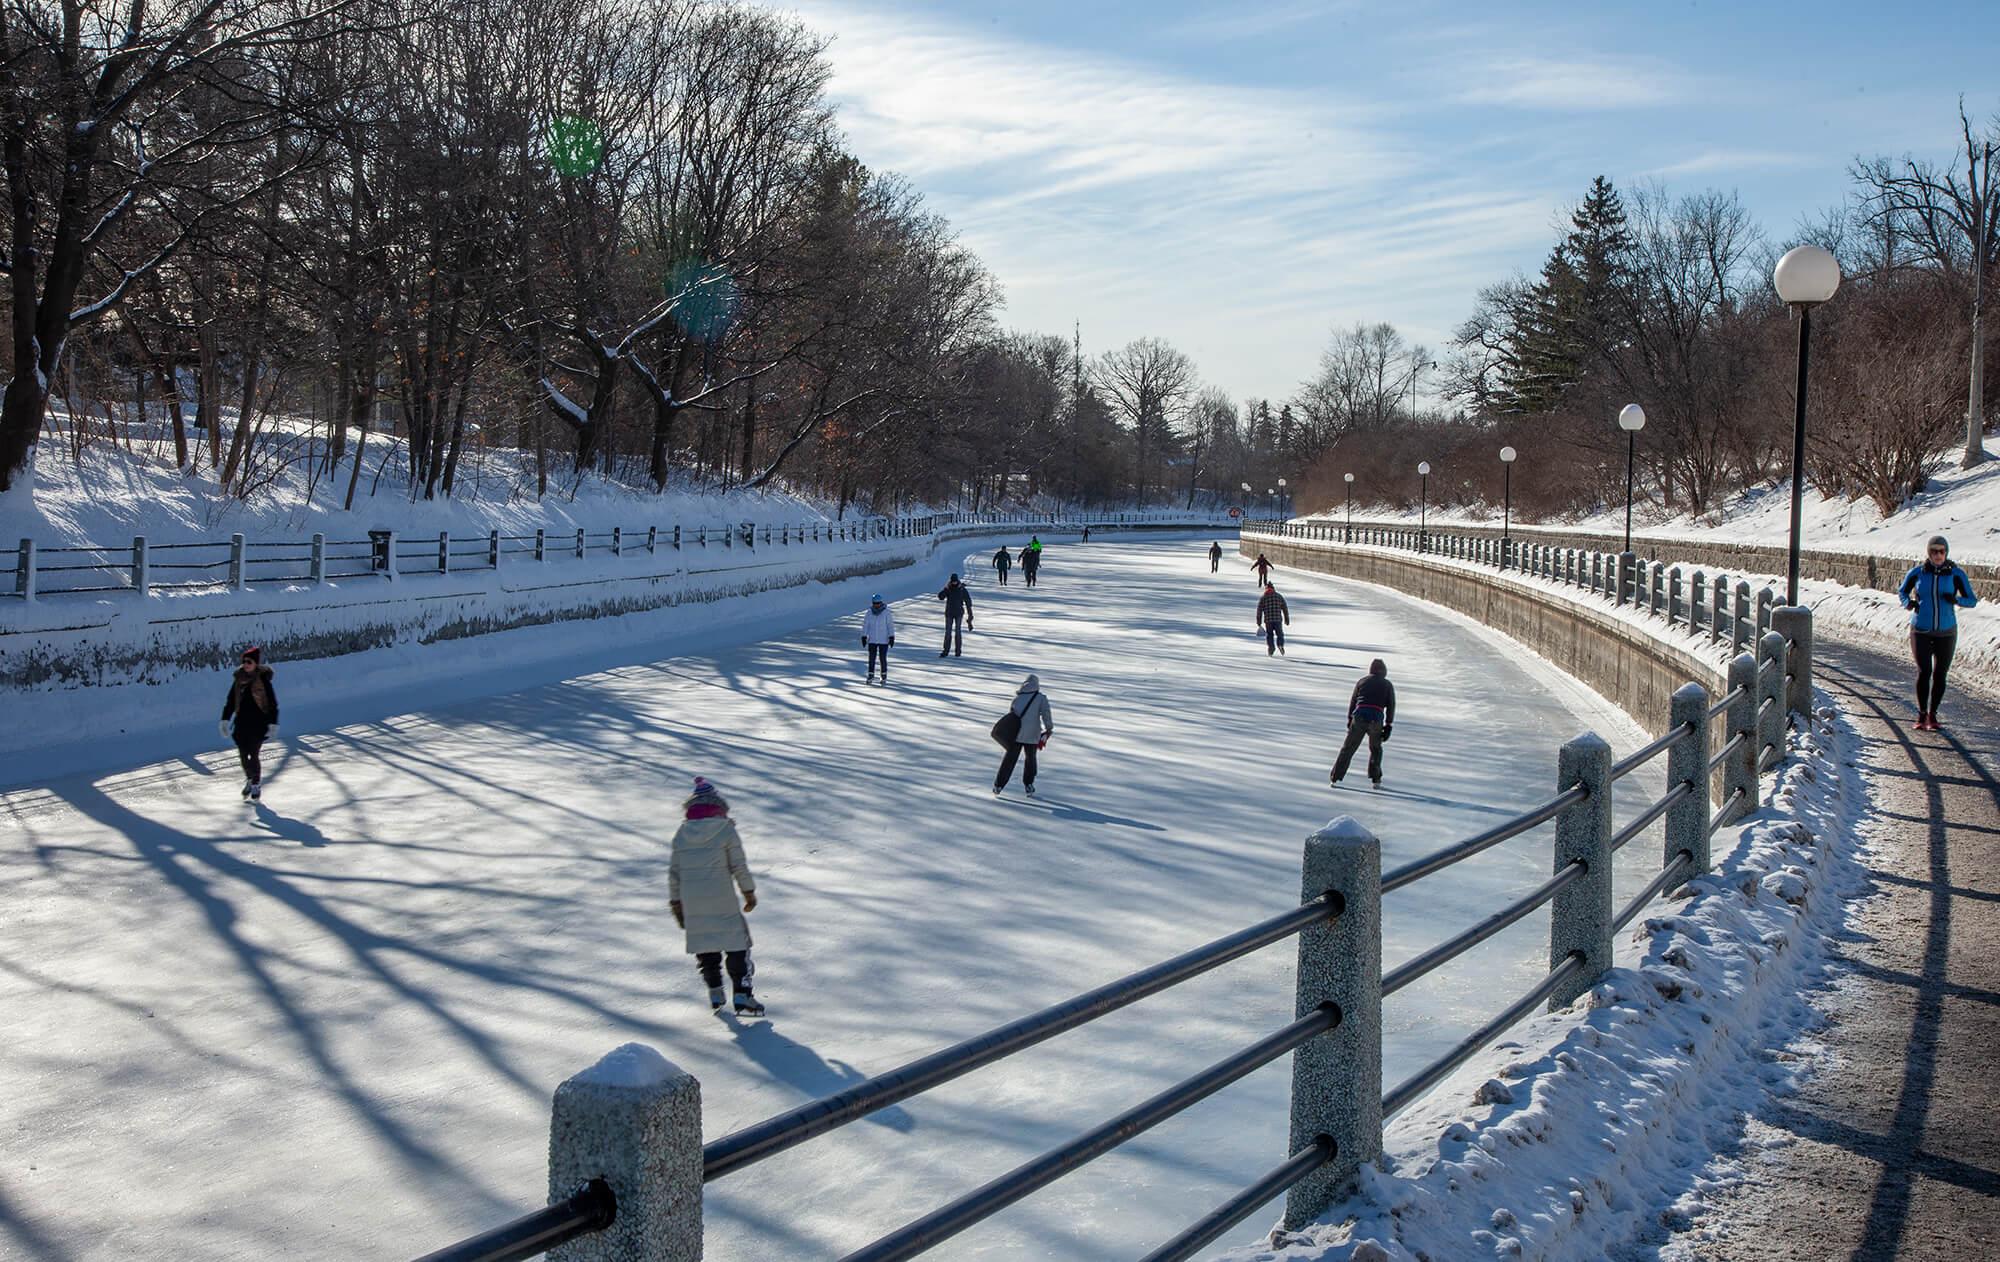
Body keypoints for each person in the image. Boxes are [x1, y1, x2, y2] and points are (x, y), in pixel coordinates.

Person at [668, 777, 764, 1016]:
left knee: (706, 943)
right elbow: (738, 865)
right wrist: (748, 892)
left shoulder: (681, 833)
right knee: (737, 945)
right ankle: (742, 995)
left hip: (692, 900)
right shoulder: (725, 829)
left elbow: (674, 872)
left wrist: (676, 903)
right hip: (722, 897)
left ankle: (715, 991)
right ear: (718, 806)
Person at [1899, 534, 1980, 731]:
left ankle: (1933, 715)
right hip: (1921, 630)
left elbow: (1972, 600)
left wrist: (1956, 600)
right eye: (1934, 551)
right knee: (1924, 671)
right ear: (1928, 553)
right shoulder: (1918, 573)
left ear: (1946, 553)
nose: (1937, 555)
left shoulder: (1956, 575)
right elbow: (1902, 591)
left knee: (1940, 674)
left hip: (1946, 631)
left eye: (1941, 551)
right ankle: (1921, 714)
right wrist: (1908, 603)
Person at [219, 645, 279, 800]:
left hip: (259, 724)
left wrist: (273, 724)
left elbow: (272, 703)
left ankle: (256, 784)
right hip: (241, 724)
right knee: (243, 755)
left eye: (249, 662)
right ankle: (250, 778)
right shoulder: (238, 679)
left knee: (254, 754)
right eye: (244, 661)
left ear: (256, 664)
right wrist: (225, 719)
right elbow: (231, 701)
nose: (245, 664)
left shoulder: (263, 681)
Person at [1331, 659, 1396, 788]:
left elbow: (1353, 701)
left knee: (1348, 748)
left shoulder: (1362, 681)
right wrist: (1388, 725)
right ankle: (1376, 780)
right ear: (1384, 671)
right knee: (1375, 749)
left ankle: (1335, 778)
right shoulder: (1387, 684)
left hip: (1359, 716)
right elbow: (1391, 705)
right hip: (1376, 718)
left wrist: (1350, 719)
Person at [993, 673, 1055, 797]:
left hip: (1016, 734)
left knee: (1009, 760)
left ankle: (998, 785)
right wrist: (1049, 728)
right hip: (1032, 734)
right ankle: (1029, 785)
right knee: (1030, 759)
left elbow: (1012, 715)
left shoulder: (1017, 698)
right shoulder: (1041, 698)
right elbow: (1046, 714)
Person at [937, 573, 975, 657]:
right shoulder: (948, 588)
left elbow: (968, 602)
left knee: (958, 632)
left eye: (955, 581)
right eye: (952, 582)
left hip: (959, 613)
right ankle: (945, 651)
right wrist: (945, 589)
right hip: (949, 613)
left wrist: (970, 615)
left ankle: (958, 651)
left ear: (957, 581)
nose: (954, 583)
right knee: (948, 632)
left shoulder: (961, 589)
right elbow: (940, 597)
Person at [862, 594, 896, 682]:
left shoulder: (886, 612)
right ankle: (870, 675)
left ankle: (883, 675)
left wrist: (891, 636)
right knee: (871, 659)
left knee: (882, 658)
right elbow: (866, 625)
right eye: (874, 603)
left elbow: (890, 625)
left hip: (883, 640)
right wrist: (864, 636)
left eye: (877, 603)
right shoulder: (869, 613)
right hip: (872, 639)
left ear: (881, 603)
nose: (876, 605)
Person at [1256, 583, 1290, 656]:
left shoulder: (1263, 598)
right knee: (1280, 634)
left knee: (1269, 635)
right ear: (1273, 588)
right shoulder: (1279, 596)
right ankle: (1280, 645)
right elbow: (1284, 608)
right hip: (1278, 619)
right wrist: (1286, 618)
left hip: (1268, 620)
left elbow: (1259, 610)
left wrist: (1259, 621)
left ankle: (1271, 647)